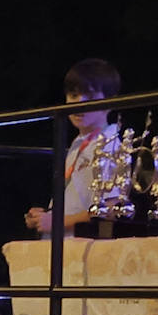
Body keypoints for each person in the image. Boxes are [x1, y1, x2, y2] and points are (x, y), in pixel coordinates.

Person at [24, 58, 121, 236]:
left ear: (110, 102)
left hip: (83, 249)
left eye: (90, 97)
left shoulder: (110, 145)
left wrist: (58, 221)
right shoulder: (78, 143)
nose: (79, 103)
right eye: (73, 95)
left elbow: (111, 208)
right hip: (62, 244)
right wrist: (45, 217)